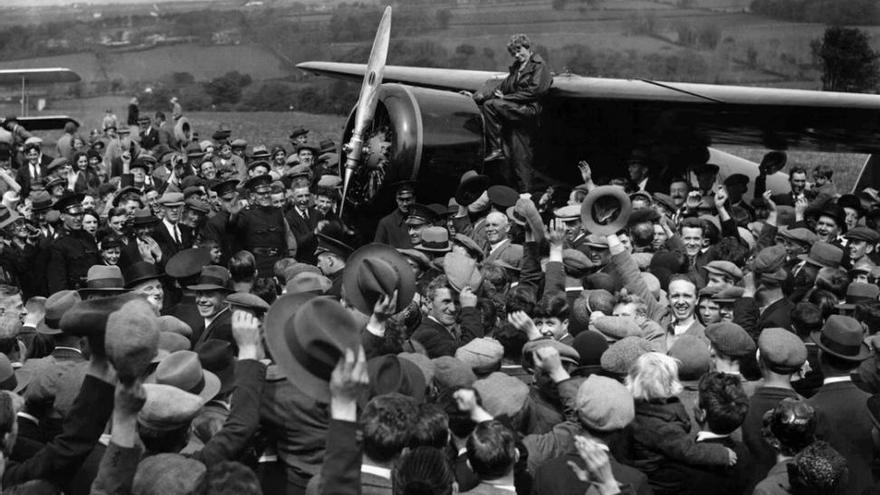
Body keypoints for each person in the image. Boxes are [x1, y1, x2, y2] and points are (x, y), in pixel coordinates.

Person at [474, 34, 552, 191]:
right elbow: (501, 88)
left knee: (521, 158)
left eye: (519, 50)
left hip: (529, 111)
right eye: (513, 53)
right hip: (515, 112)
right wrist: (476, 97)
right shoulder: (517, 68)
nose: (517, 55)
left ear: (527, 47)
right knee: (518, 157)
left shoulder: (539, 66)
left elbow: (534, 92)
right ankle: (520, 191)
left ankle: (497, 150)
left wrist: (507, 98)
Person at [375, 181, 417, 248]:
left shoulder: (421, 219)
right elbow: (377, 250)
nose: (405, 204)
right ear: (396, 199)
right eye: (401, 200)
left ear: (414, 199)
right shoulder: (386, 223)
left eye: (408, 199)